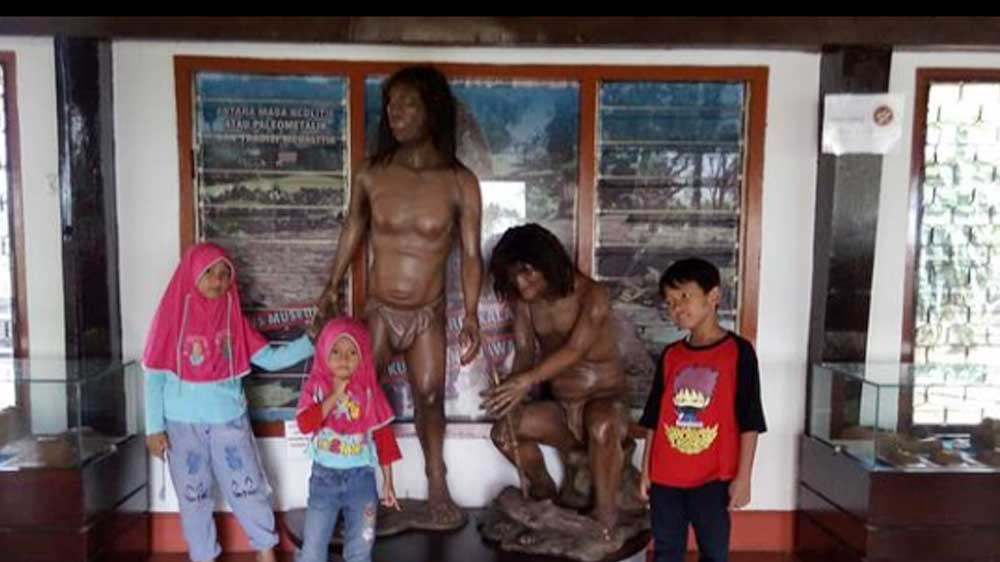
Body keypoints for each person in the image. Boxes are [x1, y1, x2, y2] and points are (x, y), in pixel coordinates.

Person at [312, 65, 482, 528]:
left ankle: (437, 486)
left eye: (408, 103)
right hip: (380, 310)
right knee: (353, 393)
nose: (396, 113)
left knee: (430, 397)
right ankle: (345, 487)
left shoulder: (459, 181)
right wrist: (331, 286)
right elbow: (353, 228)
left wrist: (471, 314)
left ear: (433, 110)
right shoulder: (372, 174)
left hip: (428, 313)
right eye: (391, 104)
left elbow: (471, 254)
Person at [143, 242, 314, 562]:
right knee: (193, 496)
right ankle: (203, 556)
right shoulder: (171, 317)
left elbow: (269, 358)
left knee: (248, 487)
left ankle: (265, 551)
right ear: (191, 274)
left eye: (225, 273)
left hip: (228, 421)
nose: (218, 280)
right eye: (209, 272)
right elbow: (154, 375)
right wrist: (154, 428)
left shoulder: (233, 319)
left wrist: (310, 342)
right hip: (181, 427)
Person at [482, 223, 627, 531]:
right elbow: (524, 351)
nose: (521, 284)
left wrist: (525, 381)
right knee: (504, 433)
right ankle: (544, 493)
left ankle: (605, 516)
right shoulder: (524, 301)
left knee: (601, 424)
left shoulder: (592, 294)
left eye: (527, 273)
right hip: (561, 408)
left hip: (603, 402)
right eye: (513, 277)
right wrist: (512, 396)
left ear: (548, 262)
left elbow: (575, 350)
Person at [638, 257, 767, 562]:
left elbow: (750, 419)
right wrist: (646, 471)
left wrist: (744, 477)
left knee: (714, 551)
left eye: (685, 296)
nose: (677, 308)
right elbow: (654, 417)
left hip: (713, 478)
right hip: (666, 476)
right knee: (667, 551)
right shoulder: (671, 355)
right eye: (670, 302)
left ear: (713, 296)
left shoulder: (739, 352)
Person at [295, 317, 402, 562]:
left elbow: (384, 438)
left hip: (361, 480)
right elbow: (304, 424)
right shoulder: (316, 387)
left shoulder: (370, 391)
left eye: (352, 352)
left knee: (361, 547)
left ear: (363, 355)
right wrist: (335, 395)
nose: (344, 359)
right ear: (324, 352)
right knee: (313, 549)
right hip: (324, 479)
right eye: (336, 351)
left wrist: (388, 482)